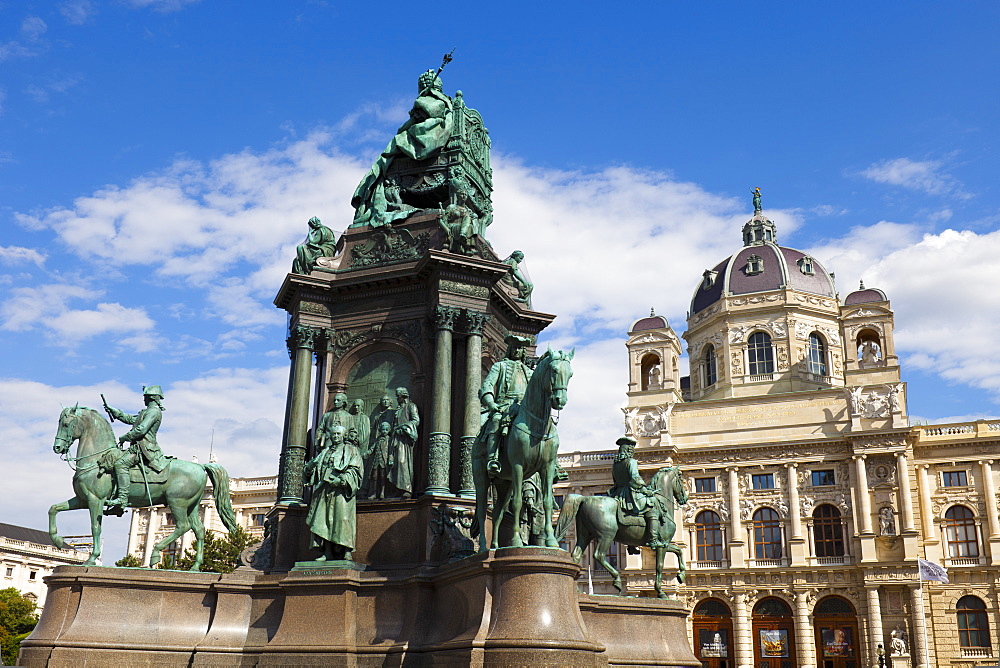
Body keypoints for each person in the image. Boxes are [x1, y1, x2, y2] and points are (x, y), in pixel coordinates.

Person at [352, 70, 455, 228]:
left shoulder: (428, 101)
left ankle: (377, 182)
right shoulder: (448, 102)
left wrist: (406, 126)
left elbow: (407, 127)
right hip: (443, 144)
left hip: (431, 140)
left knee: (393, 147)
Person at [102, 385, 169, 514]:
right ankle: (117, 504)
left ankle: (122, 499)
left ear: (152, 397)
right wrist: (114, 411)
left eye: (145, 396)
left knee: (120, 464)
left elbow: (141, 429)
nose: (143, 398)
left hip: (145, 449)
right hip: (137, 447)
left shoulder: (154, 412)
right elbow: (131, 419)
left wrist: (124, 437)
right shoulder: (146, 412)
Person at [303, 425, 363, 561]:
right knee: (324, 521)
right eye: (333, 434)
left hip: (341, 490)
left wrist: (342, 480)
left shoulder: (351, 450)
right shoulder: (325, 452)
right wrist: (309, 468)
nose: (335, 437)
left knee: (342, 519)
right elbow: (314, 469)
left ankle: (347, 551)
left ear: (343, 436)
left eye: (338, 434)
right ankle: (327, 552)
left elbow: (355, 470)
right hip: (325, 489)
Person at [476, 335, 533, 476]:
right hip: (503, 406)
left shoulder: (529, 372)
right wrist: (491, 403)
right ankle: (492, 458)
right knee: (496, 420)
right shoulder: (499, 366)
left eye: (519, 348)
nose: (516, 350)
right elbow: (487, 385)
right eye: (514, 347)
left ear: (523, 351)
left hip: (524, 408)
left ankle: (552, 464)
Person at [608, 436, 665, 548]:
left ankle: (631, 544)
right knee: (653, 505)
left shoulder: (615, 464)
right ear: (629, 450)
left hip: (617, 494)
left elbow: (615, 480)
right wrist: (645, 490)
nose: (633, 451)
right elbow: (635, 477)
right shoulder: (631, 462)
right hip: (630, 495)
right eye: (632, 449)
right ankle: (653, 539)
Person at [388, 387, 419, 498]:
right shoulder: (398, 409)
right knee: (395, 464)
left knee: (402, 462)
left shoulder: (411, 406)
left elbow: (416, 421)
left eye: (398, 396)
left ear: (404, 396)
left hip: (405, 439)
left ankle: (407, 488)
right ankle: (398, 487)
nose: (397, 398)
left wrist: (405, 428)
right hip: (396, 438)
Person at [363, 421, 392, 499]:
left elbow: (391, 450)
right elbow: (373, 448)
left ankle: (383, 492)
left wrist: (391, 458)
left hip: (384, 460)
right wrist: (367, 453)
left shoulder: (389, 440)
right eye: (383, 429)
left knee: (383, 476)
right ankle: (374, 493)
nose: (384, 431)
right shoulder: (378, 440)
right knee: (374, 476)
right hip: (376, 461)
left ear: (389, 430)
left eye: (386, 430)